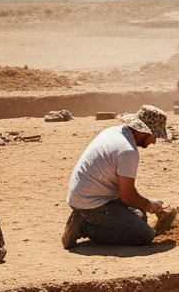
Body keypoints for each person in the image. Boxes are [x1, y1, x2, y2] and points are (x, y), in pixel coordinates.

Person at [62, 104, 170, 248]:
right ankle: (83, 226)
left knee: (139, 216)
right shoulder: (127, 151)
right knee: (145, 235)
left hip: (84, 195)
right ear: (143, 132)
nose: (154, 141)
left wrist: (147, 204)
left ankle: (87, 220)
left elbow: (123, 191)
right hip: (90, 204)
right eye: (154, 136)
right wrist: (150, 206)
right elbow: (127, 196)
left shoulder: (114, 132)